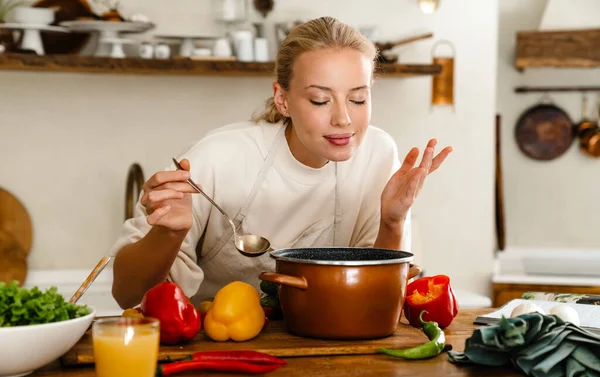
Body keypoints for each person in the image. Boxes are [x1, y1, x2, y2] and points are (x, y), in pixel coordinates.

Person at [110, 16, 452, 309]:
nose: (343, 119)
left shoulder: (377, 153)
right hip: (211, 344)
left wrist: (392, 222)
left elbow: (375, 301)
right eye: (320, 100)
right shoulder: (219, 157)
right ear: (283, 100)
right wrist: (170, 233)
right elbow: (126, 294)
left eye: (358, 98)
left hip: (321, 347)